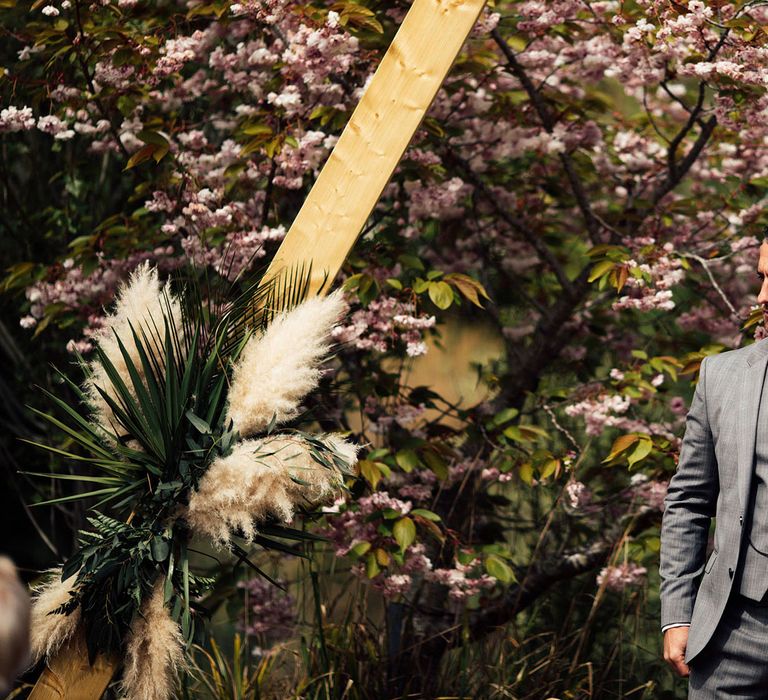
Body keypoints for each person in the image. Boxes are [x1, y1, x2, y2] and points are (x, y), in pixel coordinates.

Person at [660, 236, 768, 698]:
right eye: (762, 278)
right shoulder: (720, 376)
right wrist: (678, 614)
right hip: (734, 630)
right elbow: (687, 500)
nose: (762, 298)